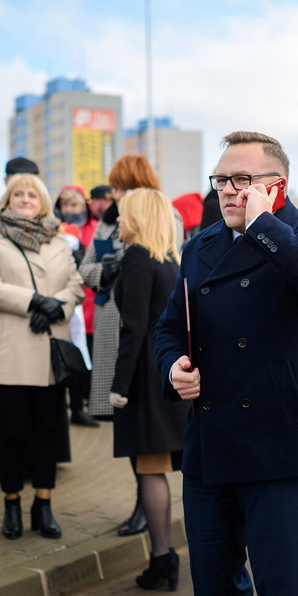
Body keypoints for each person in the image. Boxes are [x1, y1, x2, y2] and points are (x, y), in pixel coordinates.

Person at [155, 131, 298, 596]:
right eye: (221, 179)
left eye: (241, 179)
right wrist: (174, 366)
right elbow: (168, 328)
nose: (227, 190)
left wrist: (264, 226)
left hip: (282, 450)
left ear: (276, 186)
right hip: (211, 448)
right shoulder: (199, 246)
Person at [0, 173, 84, 540]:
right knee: (10, 434)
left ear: (43, 203)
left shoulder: (59, 240)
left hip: (50, 351)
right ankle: (11, 503)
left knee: (47, 433)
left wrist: (56, 306)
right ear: (7, 200)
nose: (24, 199)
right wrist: (34, 301)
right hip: (11, 354)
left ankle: (44, 504)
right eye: (17, 194)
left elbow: (75, 285)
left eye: (32, 195)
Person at [79, 154, 181, 537]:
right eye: (115, 189)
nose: (115, 196)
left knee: (145, 432)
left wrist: (126, 265)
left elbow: (164, 254)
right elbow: (87, 267)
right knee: (130, 429)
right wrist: (107, 270)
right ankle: (144, 501)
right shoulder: (109, 221)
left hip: (139, 331)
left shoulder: (160, 214)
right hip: (113, 325)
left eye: (121, 188)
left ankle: (147, 507)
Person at [108, 188, 190, 591]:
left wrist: (119, 386)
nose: (117, 221)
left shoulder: (138, 258)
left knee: (151, 468)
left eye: (123, 214)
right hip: (168, 371)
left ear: (138, 218)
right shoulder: (170, 260)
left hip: (145, 377)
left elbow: (134, 327)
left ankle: (162, 557)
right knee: (168, 465)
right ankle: (168, 557)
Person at [54, 185, 98, 428]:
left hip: (92, 301)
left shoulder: (95, 228)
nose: (70, 210)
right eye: (66, 205)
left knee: (87, 355)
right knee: (69, 353)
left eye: (74, 205)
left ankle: (87, 404)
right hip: (69, 301)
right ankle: (74, 406)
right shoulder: (55, 228)